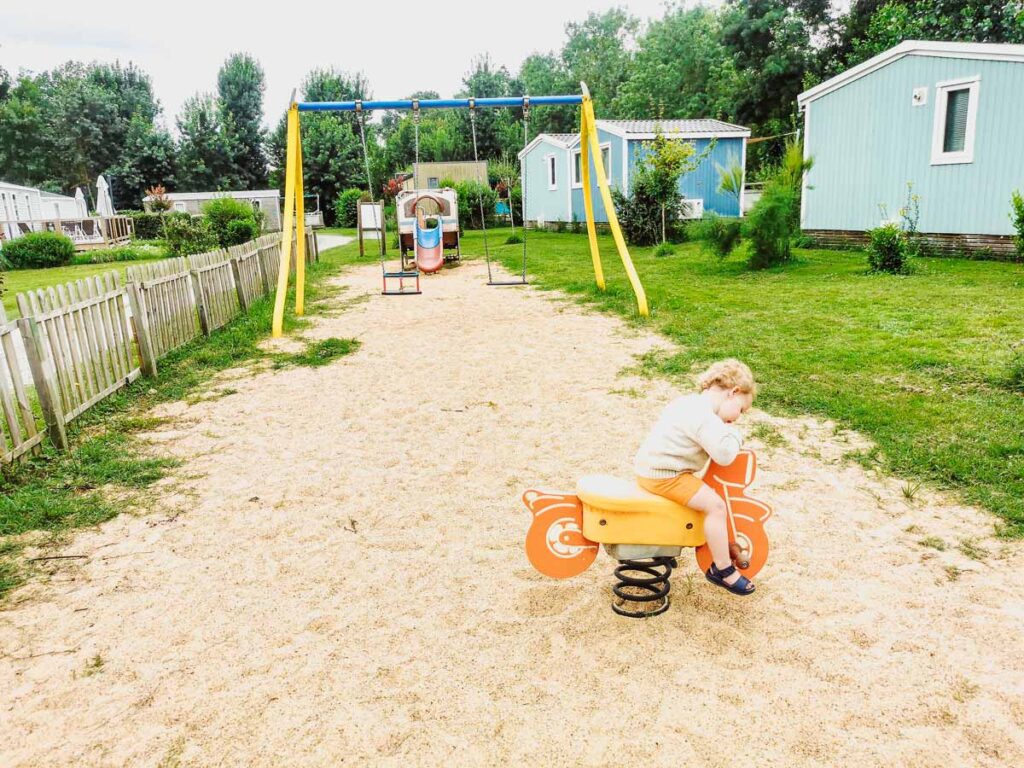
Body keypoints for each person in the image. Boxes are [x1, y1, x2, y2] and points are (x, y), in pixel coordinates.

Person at [634, 359, 757, 595]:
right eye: (741, 409)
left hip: (649, 469)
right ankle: (722, 569)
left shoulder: (689, 403)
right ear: (733, 392)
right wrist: (735, 435)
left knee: (694, 497)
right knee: (715, 506)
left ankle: (665, 544)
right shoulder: (704, 416)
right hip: (665, 475)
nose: (739, 416)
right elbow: (723, 455)